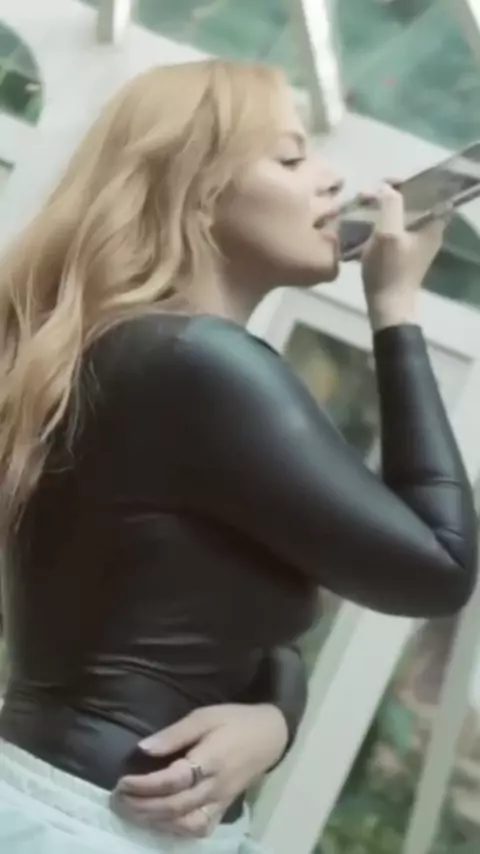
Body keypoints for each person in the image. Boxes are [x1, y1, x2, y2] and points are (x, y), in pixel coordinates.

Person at [0, 57, 477, 854]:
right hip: (94, 824)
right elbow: (438, 564)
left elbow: (215, 636)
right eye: (290, 158)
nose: (332, 180)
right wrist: (396, 311)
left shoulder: (137, 355)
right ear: (196, 192)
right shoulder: (196, 361)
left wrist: (273, 717)